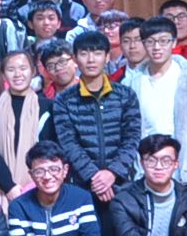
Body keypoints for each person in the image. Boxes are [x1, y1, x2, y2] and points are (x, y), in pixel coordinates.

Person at [48, 30, 141, 204]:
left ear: (107, 57)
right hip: (81, 185)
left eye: (97, 53)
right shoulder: (64, 100)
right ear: (75, 59)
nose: (91, 60)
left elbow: (132, 137)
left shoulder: (126, 95)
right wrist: (95, 177)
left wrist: (112, 173)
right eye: (84, 54)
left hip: (122, 183)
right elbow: (68, 143)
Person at [127, 17, 187, 192]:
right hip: (144, 172)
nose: (157, 47)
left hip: (184, 173)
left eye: (163, 41)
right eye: (150, 41)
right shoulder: (132, 82)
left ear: (174, 42)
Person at [5, 144, 114, 236]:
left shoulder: (81, 198)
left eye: (54, 169)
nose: (47, 176)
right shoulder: (19, 206)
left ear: (65, 170)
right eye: (39, 171)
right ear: (31, 175)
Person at [0, 50, 48, 195]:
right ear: (3, 75)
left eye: (23, 68)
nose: (17, 74)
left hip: (41, 187)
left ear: (33, 71)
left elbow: (51, 150)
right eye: (11, 70)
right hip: (3, 189)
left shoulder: (48, 107)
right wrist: (9, 186)